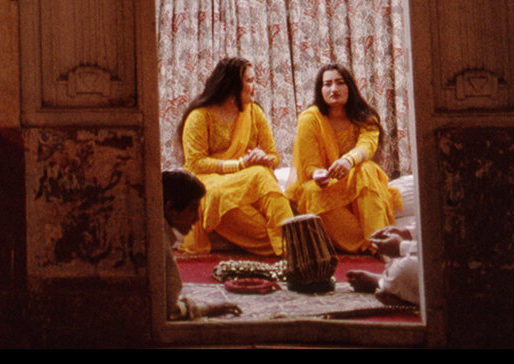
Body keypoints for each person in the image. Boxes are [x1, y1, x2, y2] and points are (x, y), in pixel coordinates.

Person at [176, 56, 291, 256]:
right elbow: (195, 164)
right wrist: (239, 164)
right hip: (208, 180)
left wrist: (265, 158)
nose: (255, 86)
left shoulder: (254, 113)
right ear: (231, 85)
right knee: (222, 193)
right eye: (250, 81)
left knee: (262, 173)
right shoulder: (200, 116)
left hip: (245, 179)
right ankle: (289, 246)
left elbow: (274, 156)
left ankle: (288, 244)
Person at [290, 61, 405, 255]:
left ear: (349, 87)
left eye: (340, 83)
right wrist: (319, 174)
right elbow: (310, 163)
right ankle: (373, 243)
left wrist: (348, 161)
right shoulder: (310, 118)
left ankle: (380, 241)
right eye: (327, 84)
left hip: (357, 181)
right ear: (320, 90)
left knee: (367, 169)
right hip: (328, 185)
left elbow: (367, 145)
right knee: (310, 192)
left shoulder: (365, 116)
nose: (333, 89)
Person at [160, 171, 243, 320]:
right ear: (170, 208)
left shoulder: (159, 233)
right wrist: (209, 309)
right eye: (192, 209)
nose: (197, 218)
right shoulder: (158, 244)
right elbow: (170, 312)